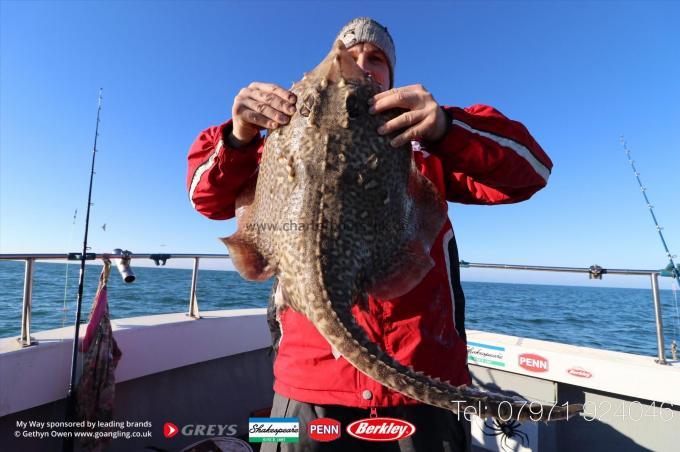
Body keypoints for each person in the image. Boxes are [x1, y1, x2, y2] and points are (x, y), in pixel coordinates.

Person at [187, 17, 552, 452]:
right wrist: (240, 134)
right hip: (306, 388)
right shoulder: (271, 144)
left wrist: (445, 130)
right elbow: (204, 198)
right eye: (349, 53)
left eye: (374, 59)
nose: (355, 63)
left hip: (419, 385)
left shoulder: (422, 145)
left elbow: (532, 172)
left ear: (391, 79)